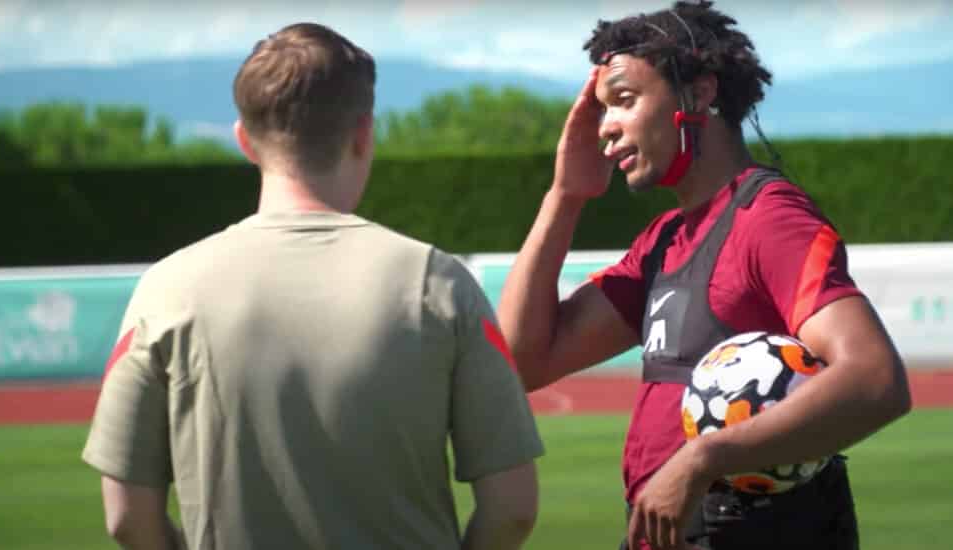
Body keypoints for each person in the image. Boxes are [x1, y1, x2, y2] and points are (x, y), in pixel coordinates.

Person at [82, 22, 543, 550]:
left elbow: (125, 515)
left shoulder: (166, 288)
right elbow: (512, 508)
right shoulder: (439, 284)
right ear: (363, 134)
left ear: (244, 142)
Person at [497, 2, 911, 549]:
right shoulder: (663, 241)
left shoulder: (768, 218)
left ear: (700, 93)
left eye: (623, 100)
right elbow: (522, 361)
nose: (606, 127)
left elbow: (876, 379)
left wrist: (703, 456)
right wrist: (565, 196)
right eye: (602, 109)